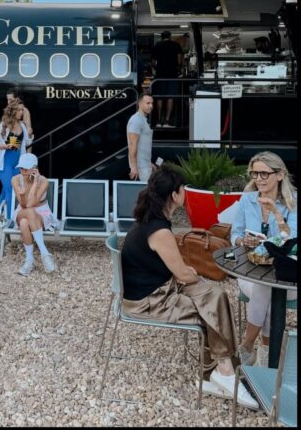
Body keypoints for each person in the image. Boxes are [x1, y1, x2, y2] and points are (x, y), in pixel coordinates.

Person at [120, 167, 258, 409]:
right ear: (174, 195)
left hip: (160, 289)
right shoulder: (158, 230)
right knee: (210, 307)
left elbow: (180, 272)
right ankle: (224, 371)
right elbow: (183, 273)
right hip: (149, 301)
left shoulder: (153, 220)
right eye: (182, 189)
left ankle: (216, 371)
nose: (184, 193)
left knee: (216, 294)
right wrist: (191, 274)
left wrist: (191, 276)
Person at [230, 152, 297, 367]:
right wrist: (242, 241)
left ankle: (248, 346)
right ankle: (268, 356)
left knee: (265, 287)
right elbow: (235, 233)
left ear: (280, 175)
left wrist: (276, 213)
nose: (259, 179)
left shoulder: (293, 202)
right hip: (250, 270)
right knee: (263, 286)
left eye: (264, 173)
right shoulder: (247, 199)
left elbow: (292, 240)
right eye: (255, 173)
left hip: (288, 276)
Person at [11, 153, 57, 276]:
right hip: (22, 209)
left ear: (34, 168)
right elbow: (26, 205)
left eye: (26, 168)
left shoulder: (44, 181)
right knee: (29, 213)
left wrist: (35, 183)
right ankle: (44, 253)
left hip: (42, 210)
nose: (23, 170)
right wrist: (21, 195)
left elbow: (32, 203)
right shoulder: (15, 179)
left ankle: (29, 261)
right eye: (21, 168)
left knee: (24, 223)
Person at [0, 99, 32, 226]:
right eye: (20, 110)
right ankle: (10, 220)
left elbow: (26, 143)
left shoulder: (23, 127)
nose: (22, 112)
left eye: (22, 110)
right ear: (13, 111)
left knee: (6, 190)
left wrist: (31, 134)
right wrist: (6, 145)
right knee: (10, 189)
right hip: (5, 162)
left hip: (17, 163)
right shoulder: (2, 126)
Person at [151, 31, 182, 128]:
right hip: (172, 74)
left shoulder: (157, 45)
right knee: (170, 96)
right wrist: (178, 68)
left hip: (160, 75)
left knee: (159, 97)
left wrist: (157, 68)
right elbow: (179, 60)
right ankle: (167, 121)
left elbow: (153, 62)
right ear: (170, 36)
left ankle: (160, 120)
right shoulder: (176, 45)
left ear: (161, 37)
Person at [127, 92, 155, 182]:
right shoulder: (136, 120)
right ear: (139, 103)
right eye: (148, 103)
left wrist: (149, 163)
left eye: (152, 103)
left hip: (145, 166)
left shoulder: (143, 119)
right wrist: (134, 168)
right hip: (141, 168)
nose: (151, 106)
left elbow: (143, 145)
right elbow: (132, 145)